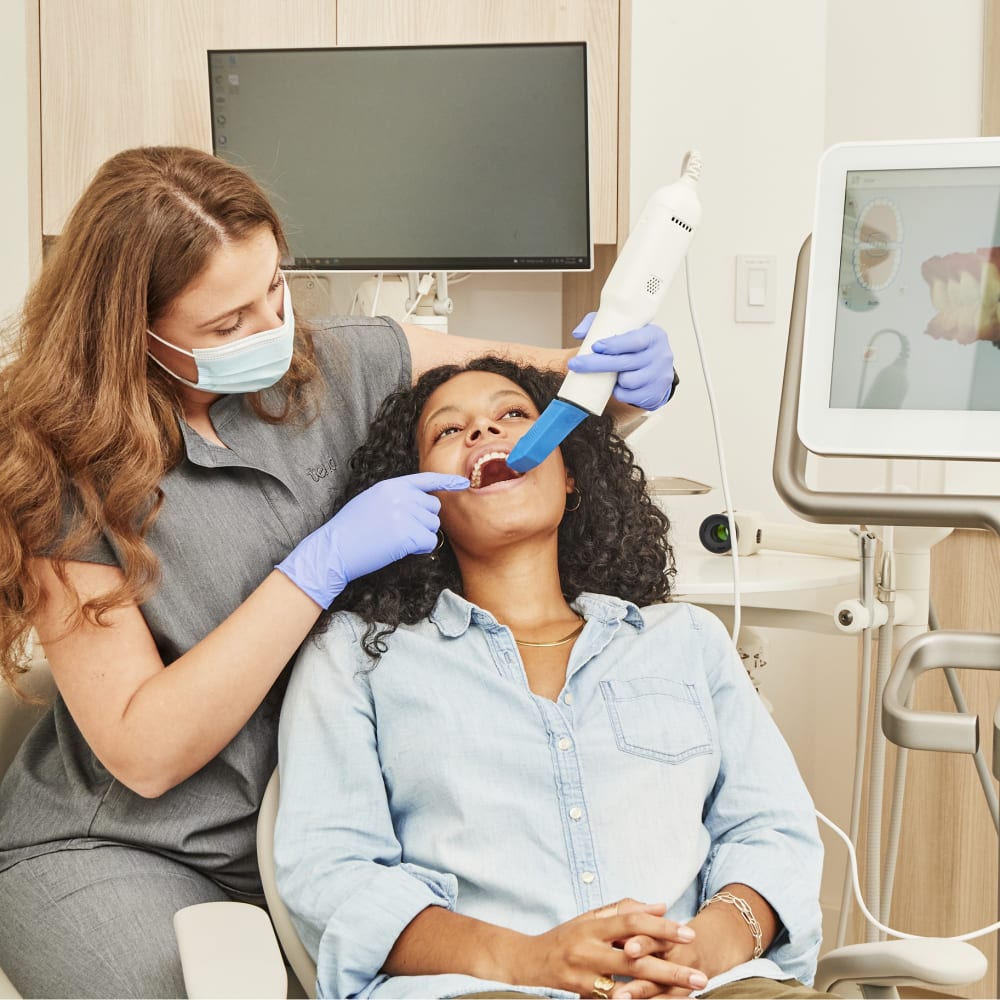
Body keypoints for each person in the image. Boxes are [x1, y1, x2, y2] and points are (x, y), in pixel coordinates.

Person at [0, 146, 678, 999]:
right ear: (131, 330)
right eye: (227, 325)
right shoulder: (50, 464)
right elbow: (145, 752)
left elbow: (546, 401)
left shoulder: (348, 362)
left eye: (273, 290)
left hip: (352, 835)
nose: (271, 332)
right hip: (145, 846)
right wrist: (314, 568)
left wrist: (632, 383)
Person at [274, 356, 826, 1000]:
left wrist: (700, 948)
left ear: (570, 474)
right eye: (449, 430)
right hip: (478, 990)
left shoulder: (687, 640)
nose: (484, 431)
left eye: (513, 414)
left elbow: (771, 831)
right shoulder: (358, 656)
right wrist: (529, 960)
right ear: (419, 500)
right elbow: (333, 873)